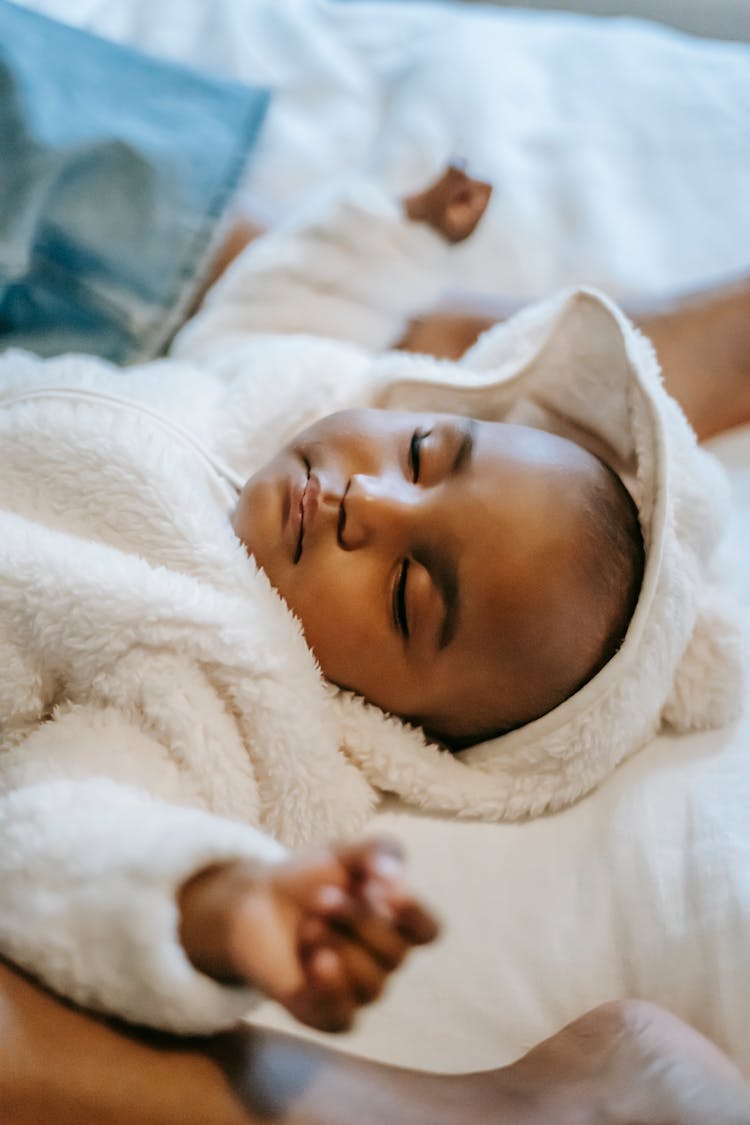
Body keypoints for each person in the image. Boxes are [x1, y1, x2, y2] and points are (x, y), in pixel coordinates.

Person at [0, 166, 746, 1122]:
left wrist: (226, 902)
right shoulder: (277, 397)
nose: (373, 503)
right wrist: (393, 232)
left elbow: (63, 828)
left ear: (394, 722)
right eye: (427, 453)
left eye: (407, 592)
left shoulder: (219, 685)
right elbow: (283, 297)